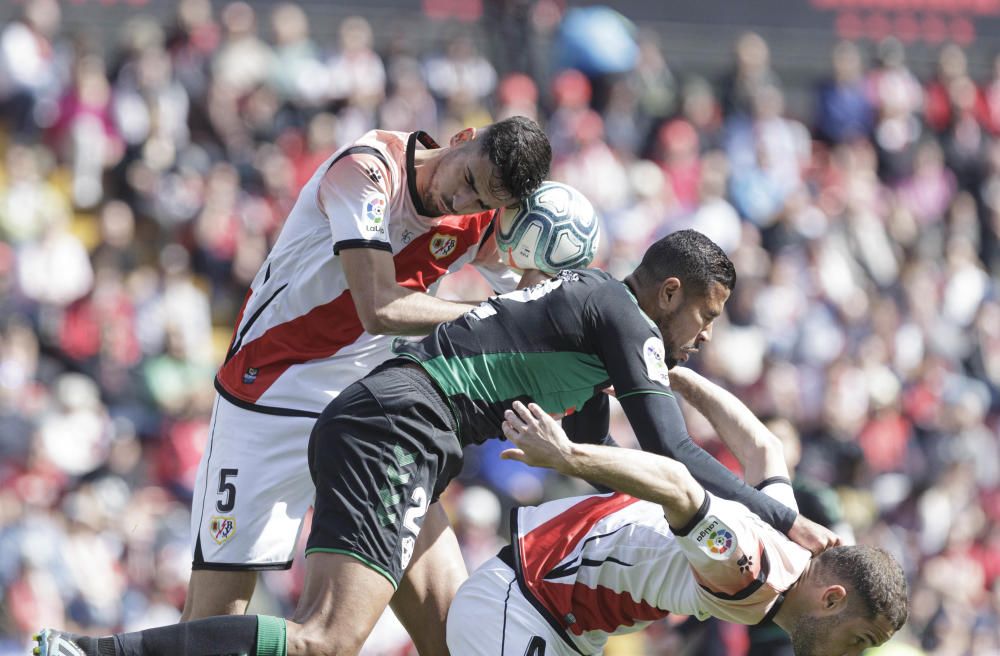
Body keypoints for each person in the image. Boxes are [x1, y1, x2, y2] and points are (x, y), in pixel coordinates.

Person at [35, 229, 838, 656]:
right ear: (669, 294)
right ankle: (88, 654)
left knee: (456, 642)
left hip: (396, 426)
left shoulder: (602, 318)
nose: (703, 335)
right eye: (704, 316)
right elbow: (676, 463)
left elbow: (600, 450)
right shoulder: (626, 321)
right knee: (327, 641)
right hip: (397, 427)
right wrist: (787, 525)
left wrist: (657, 390)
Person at [183, 114, 552, 656]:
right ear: (463, 139)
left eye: (483, 202)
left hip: (364, 418)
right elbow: (378, 305)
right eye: (468, 181)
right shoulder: (367, 170)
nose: (464, 202)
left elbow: (527, 301)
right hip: (266, 401)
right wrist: (489, 318)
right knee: (210, 621)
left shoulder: (482, 218)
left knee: (453, 634)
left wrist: (553, 270)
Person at [445, 372, 907, 655]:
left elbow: (764, 446)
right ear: (832, 599)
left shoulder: (791, 542)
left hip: (570, 628)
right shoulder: (754, 572)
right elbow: (678, 487)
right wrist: (567, 456)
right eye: (858, 641)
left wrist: (679, 377)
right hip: (530, 600)